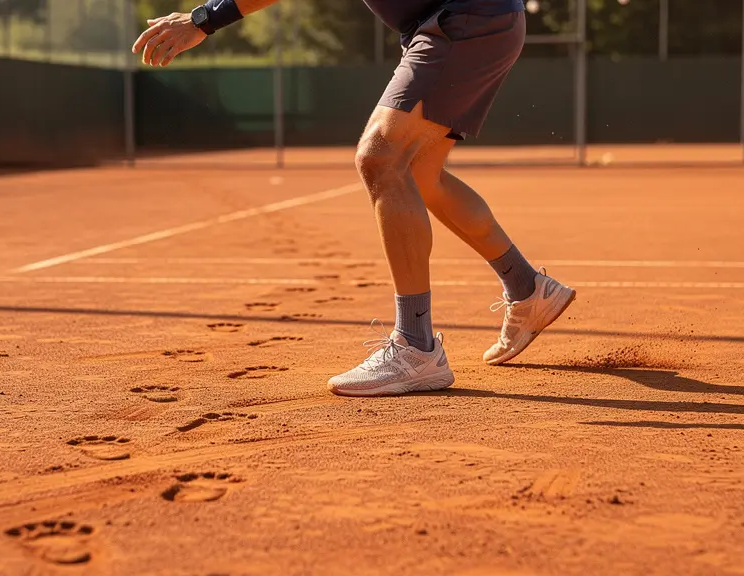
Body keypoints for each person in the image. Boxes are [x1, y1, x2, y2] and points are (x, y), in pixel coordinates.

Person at [133, 0, 576, 397]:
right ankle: (527, 287)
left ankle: (416, 348)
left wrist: (204, 19)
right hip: (469, 21)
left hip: (463, 20)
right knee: (421, 175)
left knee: (380, 158)